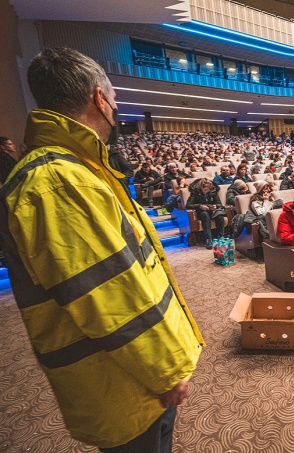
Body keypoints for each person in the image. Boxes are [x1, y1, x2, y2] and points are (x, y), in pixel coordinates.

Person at [0, 47, 203, 452]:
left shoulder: (79, 169)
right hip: (120, 381)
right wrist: (165, 371)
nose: (116, 106)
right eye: (114, 98)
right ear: (99, 99)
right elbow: (108, 295)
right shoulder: (58, 181)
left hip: (125, 375)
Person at [186, 179, 226, 249]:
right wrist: (200, 206)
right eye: (204, 189)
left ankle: (221, 237)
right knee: (205, 215)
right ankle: (209, 239)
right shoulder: (195, 193)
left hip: (212, 211)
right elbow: (188, 205)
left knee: (219, 216)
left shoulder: (213, 192)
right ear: (201, 187)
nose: (206, 191)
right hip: (201, 212)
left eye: (207, 190)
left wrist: (215, 206)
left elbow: (219, 204)